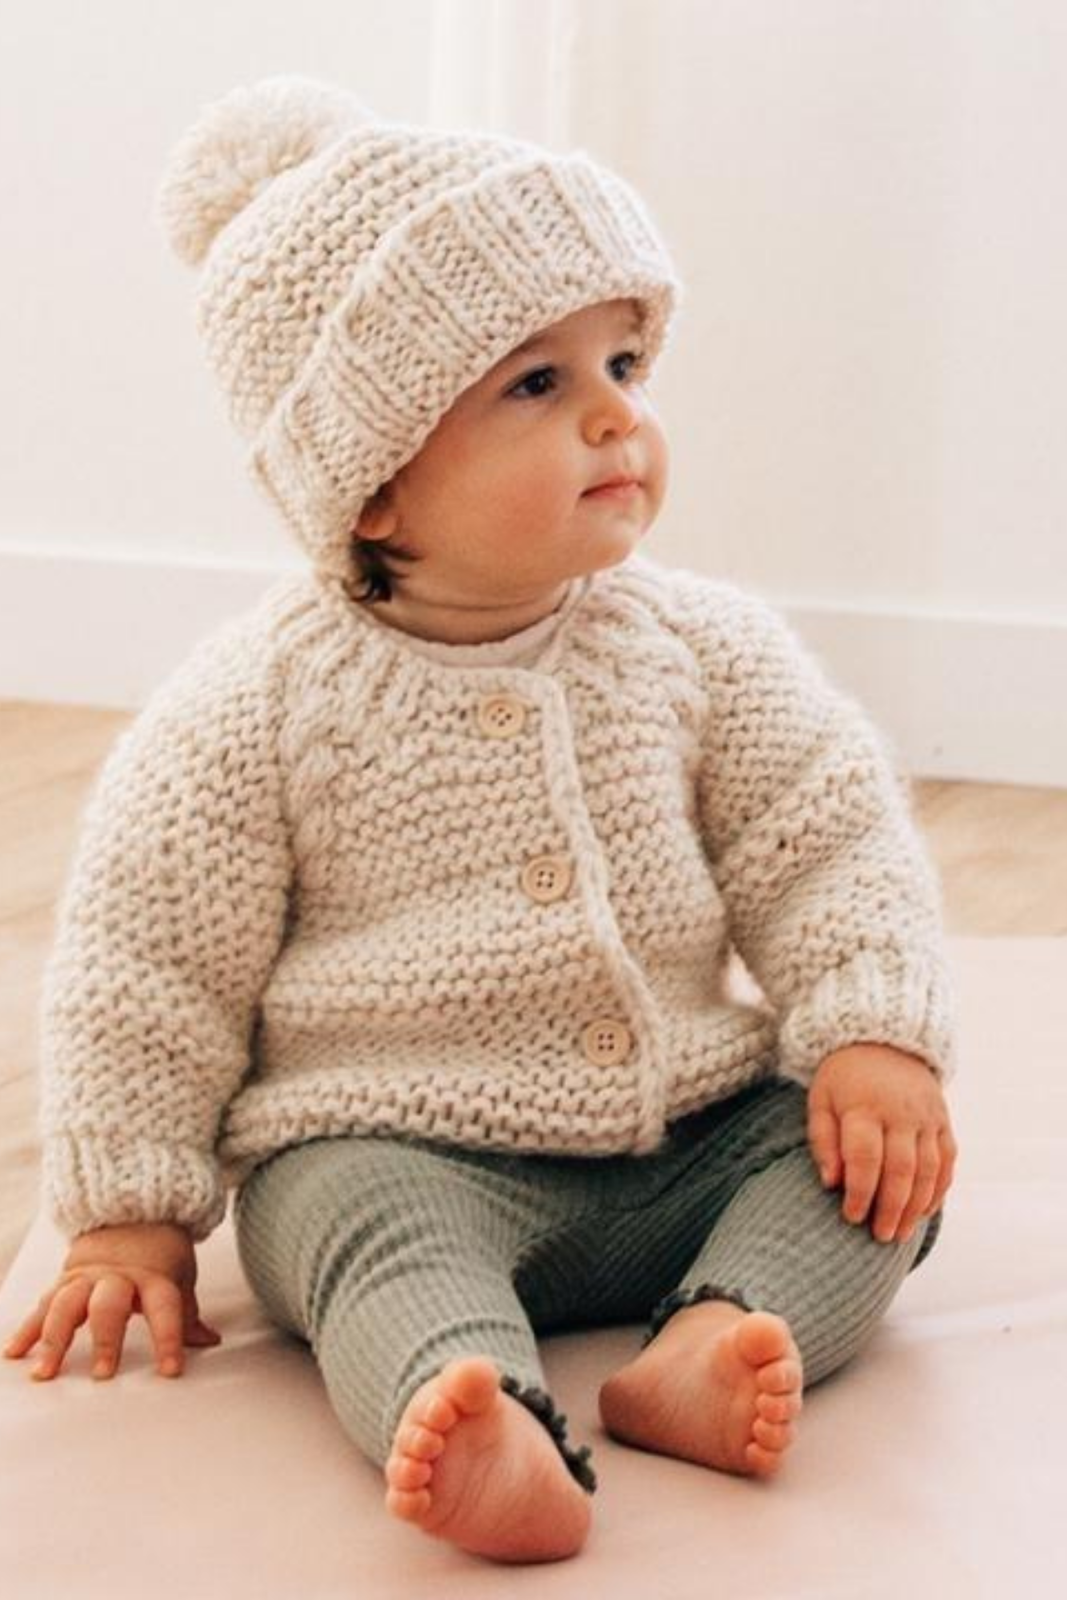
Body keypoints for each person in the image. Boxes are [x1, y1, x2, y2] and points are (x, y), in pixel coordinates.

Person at [3, 77, 958, 1566]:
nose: (615, 415)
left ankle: (719, 1337)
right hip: (394, 1144)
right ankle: (472, 1411)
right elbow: (147, 969)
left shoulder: (698, 648)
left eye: (627, 361)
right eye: (536, 383)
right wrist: (129, 1214)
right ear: (374, 488)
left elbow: (825, 836)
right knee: (345, 1233)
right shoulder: (254, 708)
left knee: (866, 1168)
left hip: (679, 1137)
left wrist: (868, 1031)